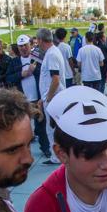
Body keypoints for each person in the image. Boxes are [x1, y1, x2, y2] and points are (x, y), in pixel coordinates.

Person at [5, 34, 51, 159]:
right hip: (22, 100)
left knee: (41, 124)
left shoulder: (38, 59)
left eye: (25, 45)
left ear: (30, 45)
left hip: (37, 99)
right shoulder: (14, 62)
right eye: (20, 46)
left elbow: (45, 76)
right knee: (20, 126)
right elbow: (8, 78)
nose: (23, 48)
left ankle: (45, 147)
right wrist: (22, 74)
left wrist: (34, 70)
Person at [37, 28, 66, 165]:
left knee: (53, 129)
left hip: (54, 98)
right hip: (52, 97)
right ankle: (58, 155)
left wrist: (48, 97)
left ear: (40, 40)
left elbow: (55, 78)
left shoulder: (52, 55)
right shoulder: (52, 52)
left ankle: (57, 157)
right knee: (54, 129)